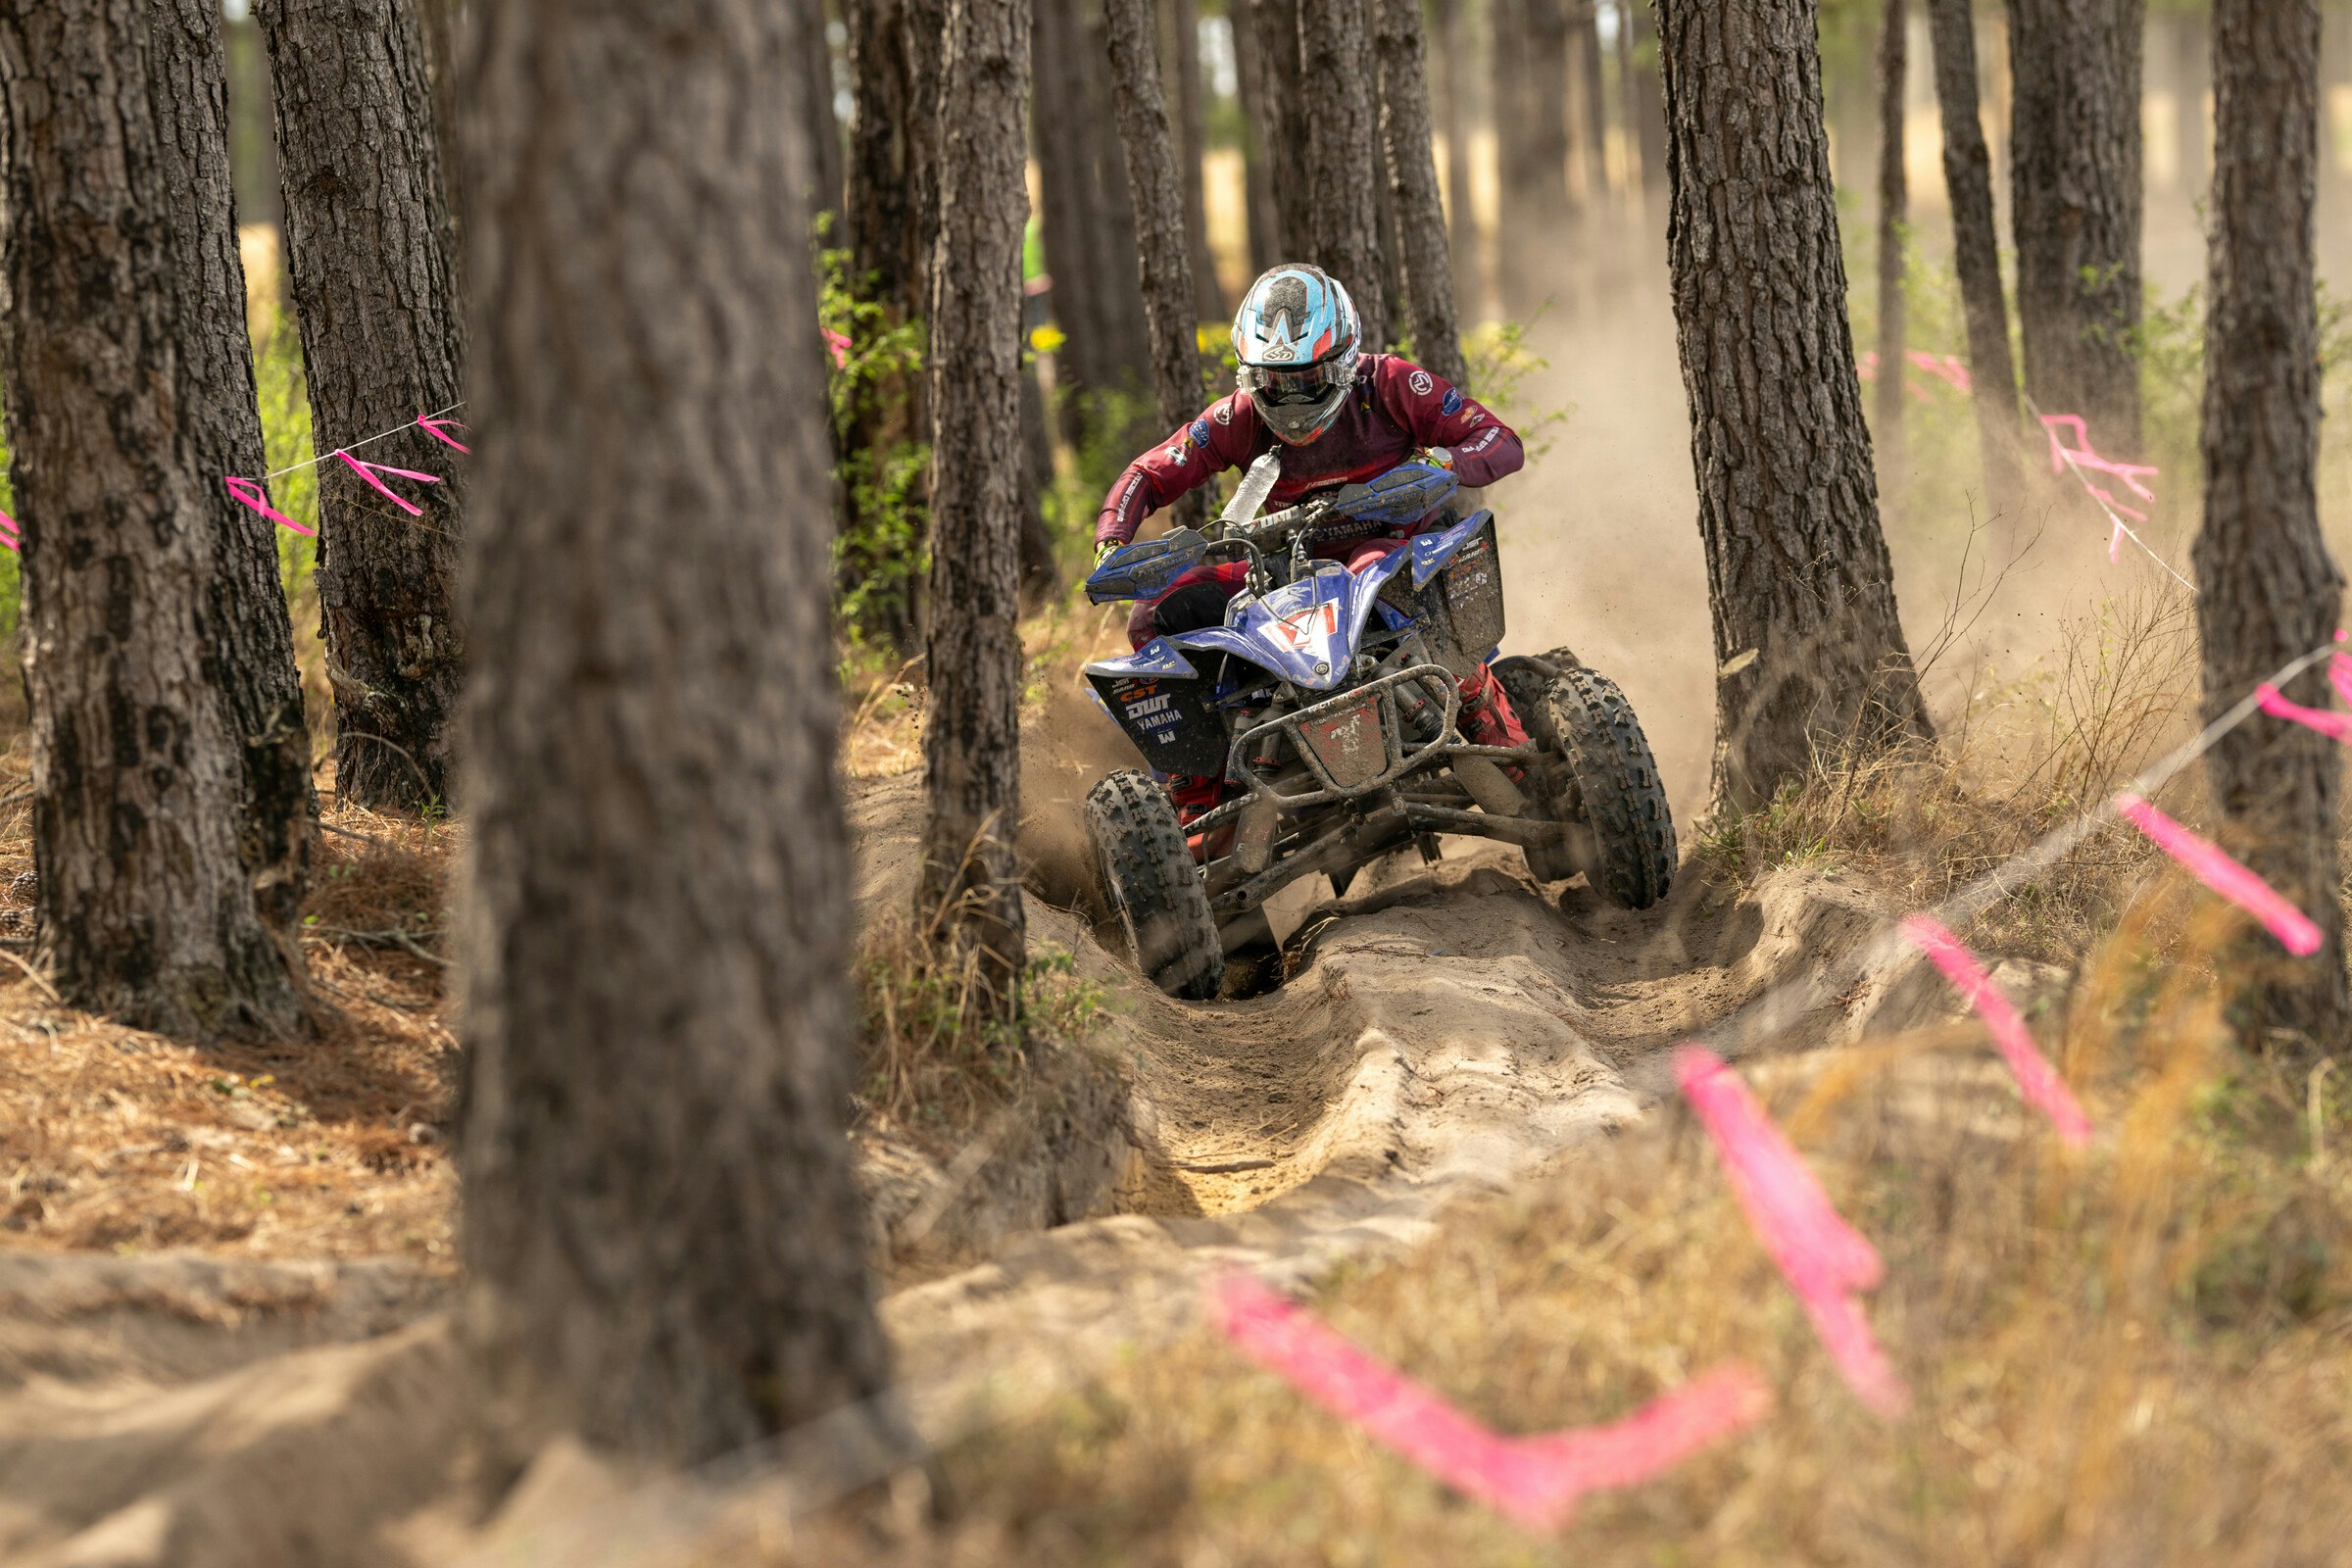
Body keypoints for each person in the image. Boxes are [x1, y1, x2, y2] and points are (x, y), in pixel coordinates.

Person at [1093, 264, 1530, 823]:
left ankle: (1506, 744)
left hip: (1391, 548)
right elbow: (1148, 474)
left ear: (1346, 359)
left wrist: (1442, 465)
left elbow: (1498, 439)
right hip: (1289, 572)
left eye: (1307, 379)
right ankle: (1197, 802)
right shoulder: (1239, 417)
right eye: (1275, 383)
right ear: (1251, 376)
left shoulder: (1392, 384)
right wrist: (1112, 542)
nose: (1291, 399)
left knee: (1393, 578)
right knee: (1156, 613)